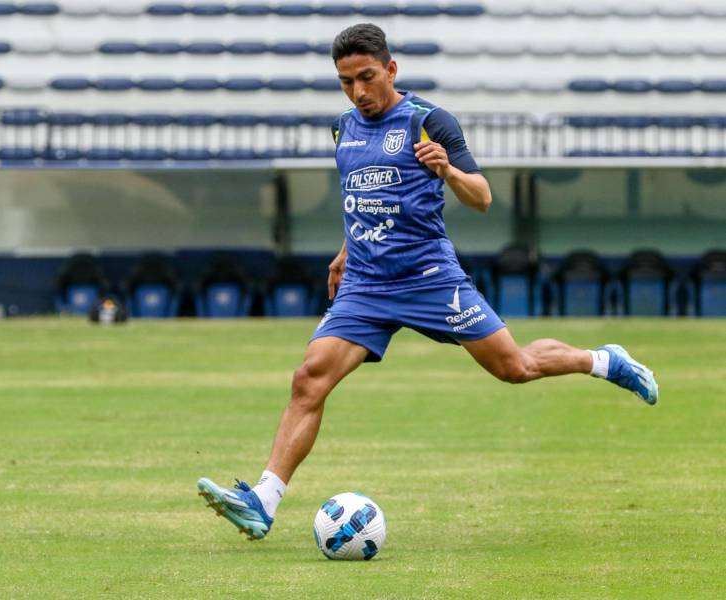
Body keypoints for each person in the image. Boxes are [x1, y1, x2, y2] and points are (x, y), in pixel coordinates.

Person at [197, 23, 658, 541]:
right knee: (310, 378)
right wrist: (347, 250)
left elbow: (481, 197)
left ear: (391, 69)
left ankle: (603, 360)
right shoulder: (342, 128)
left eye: (367, 77)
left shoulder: (428, 121)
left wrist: (448, 171)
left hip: (429, 277)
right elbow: (366, 194)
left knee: (515, 367)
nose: (359, 92)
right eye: (347, 82)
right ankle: (263, 500)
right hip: (367, 283)